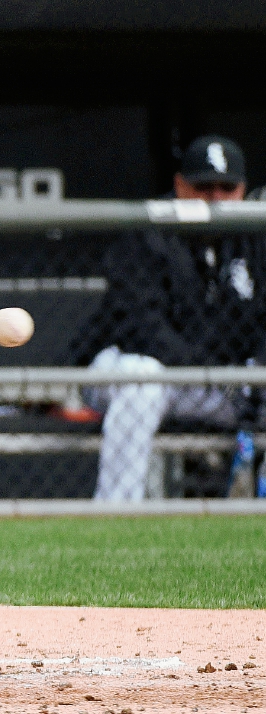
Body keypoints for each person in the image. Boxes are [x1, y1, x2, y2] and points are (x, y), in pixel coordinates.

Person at [77, 135, 266, 501]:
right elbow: (141, 329)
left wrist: (252, 371)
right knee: (141, 382)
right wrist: (211, 373)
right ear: (180, 186)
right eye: (203, 186)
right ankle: (113, 517)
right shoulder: (149, 230)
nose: (215, 197)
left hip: (219, 385)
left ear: (242, 190)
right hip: (135, 370)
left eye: (226, 188)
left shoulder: (255, 236)